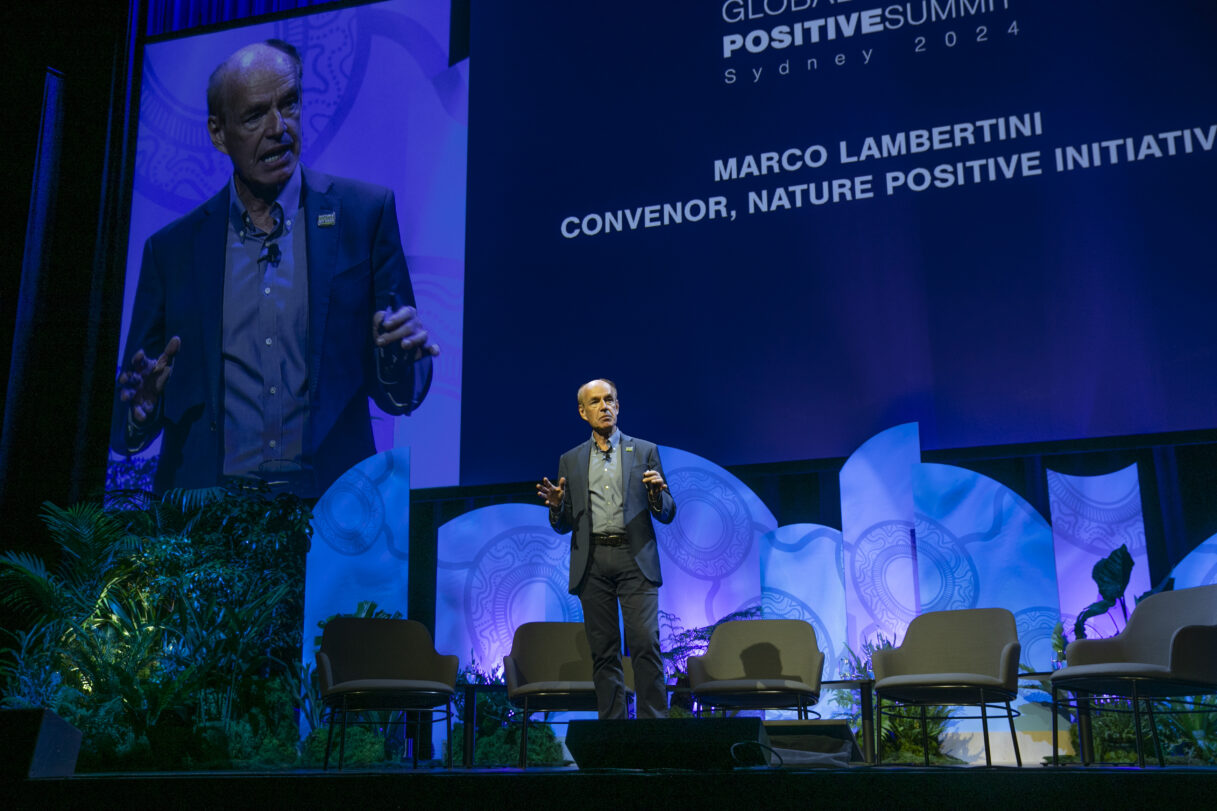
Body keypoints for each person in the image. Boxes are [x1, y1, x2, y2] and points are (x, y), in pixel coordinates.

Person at [110, 40, 438, 497]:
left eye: (289, 104)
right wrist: (140, 412)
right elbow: (126, 418)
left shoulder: (365, 215)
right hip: (208, 526)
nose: (278, 128)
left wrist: (398, 361)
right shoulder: (172, 251)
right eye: (254, 116)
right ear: (218, 133)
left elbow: (401, 394)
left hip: (331, 517)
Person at [536, 378, 677, 719]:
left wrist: (658, 494)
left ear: (618, 405)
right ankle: (614, 736)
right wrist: (557, 506)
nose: (604, 406)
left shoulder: (644, 451)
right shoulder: (570, 459)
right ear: (583, 412)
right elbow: (564, 523)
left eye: (609, 400)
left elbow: (668, 512)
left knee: (645, 645)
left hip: (635, 558)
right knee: (604, 652)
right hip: (593, 562)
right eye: (595, 402)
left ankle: (653, 730)